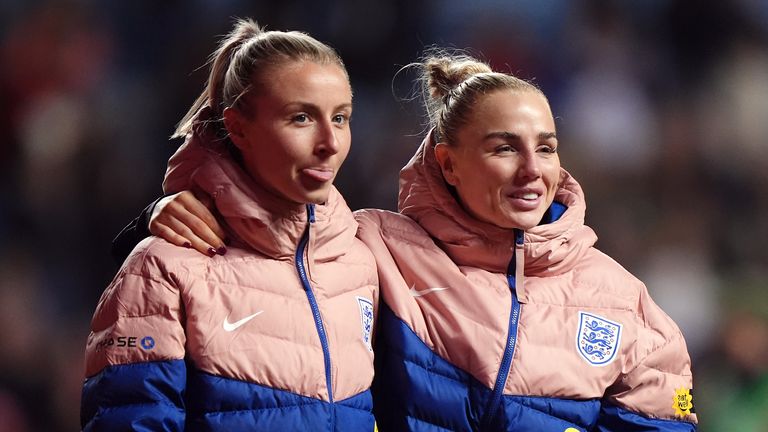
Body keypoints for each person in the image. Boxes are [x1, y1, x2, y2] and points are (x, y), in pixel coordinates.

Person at [116, 53, 699, 431]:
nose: (531, 170)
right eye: (503, 148)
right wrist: (190, 196)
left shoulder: (624, 302)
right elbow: (276, 229)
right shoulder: (372, 250)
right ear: (447, 164)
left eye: (545, 147)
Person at [81, 19, 378, 431]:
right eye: (301, 118)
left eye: (341, 118)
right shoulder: (162, 269)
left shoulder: (361, 263)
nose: (330, 142)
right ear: (238, 126)